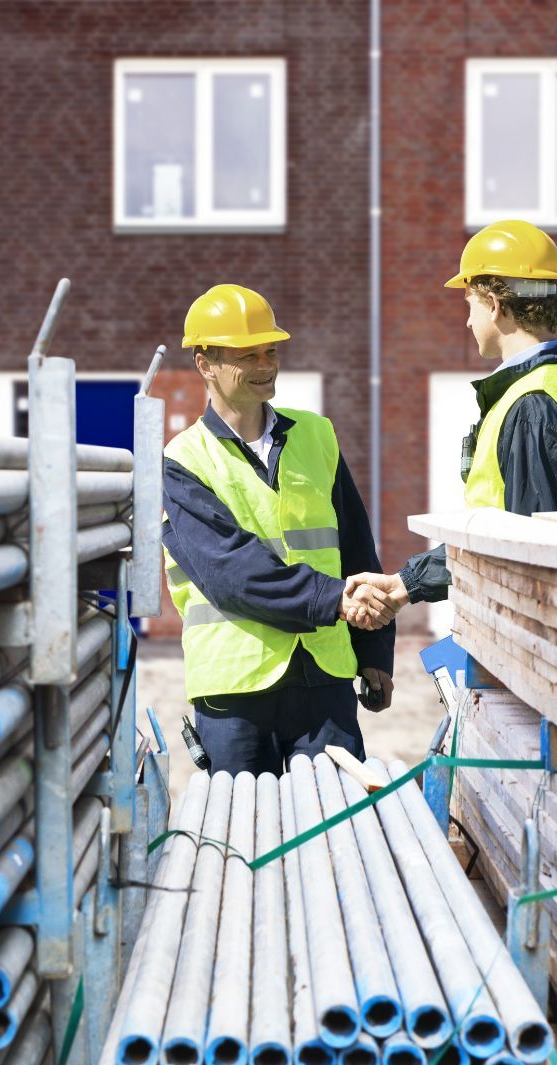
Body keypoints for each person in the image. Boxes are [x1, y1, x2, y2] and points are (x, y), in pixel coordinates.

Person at [161, 283, 396, 777]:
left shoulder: (317, 435)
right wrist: (335, 600)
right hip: (235, 688)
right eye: (248, 355)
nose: (266, 365)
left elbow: (356, 546)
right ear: (205, 363)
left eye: (271, 351)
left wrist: (374, 649)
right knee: (243, 823)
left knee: (334, 817)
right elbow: (231, 573)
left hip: (324, 673)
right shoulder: (183, 461)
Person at [349, 219, 557, 610]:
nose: (467, 321)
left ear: (493, 305)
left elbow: (528, 554)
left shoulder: (533, 406)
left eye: (470, 305)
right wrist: (407, 583)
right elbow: (501, 533)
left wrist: (410, 583)